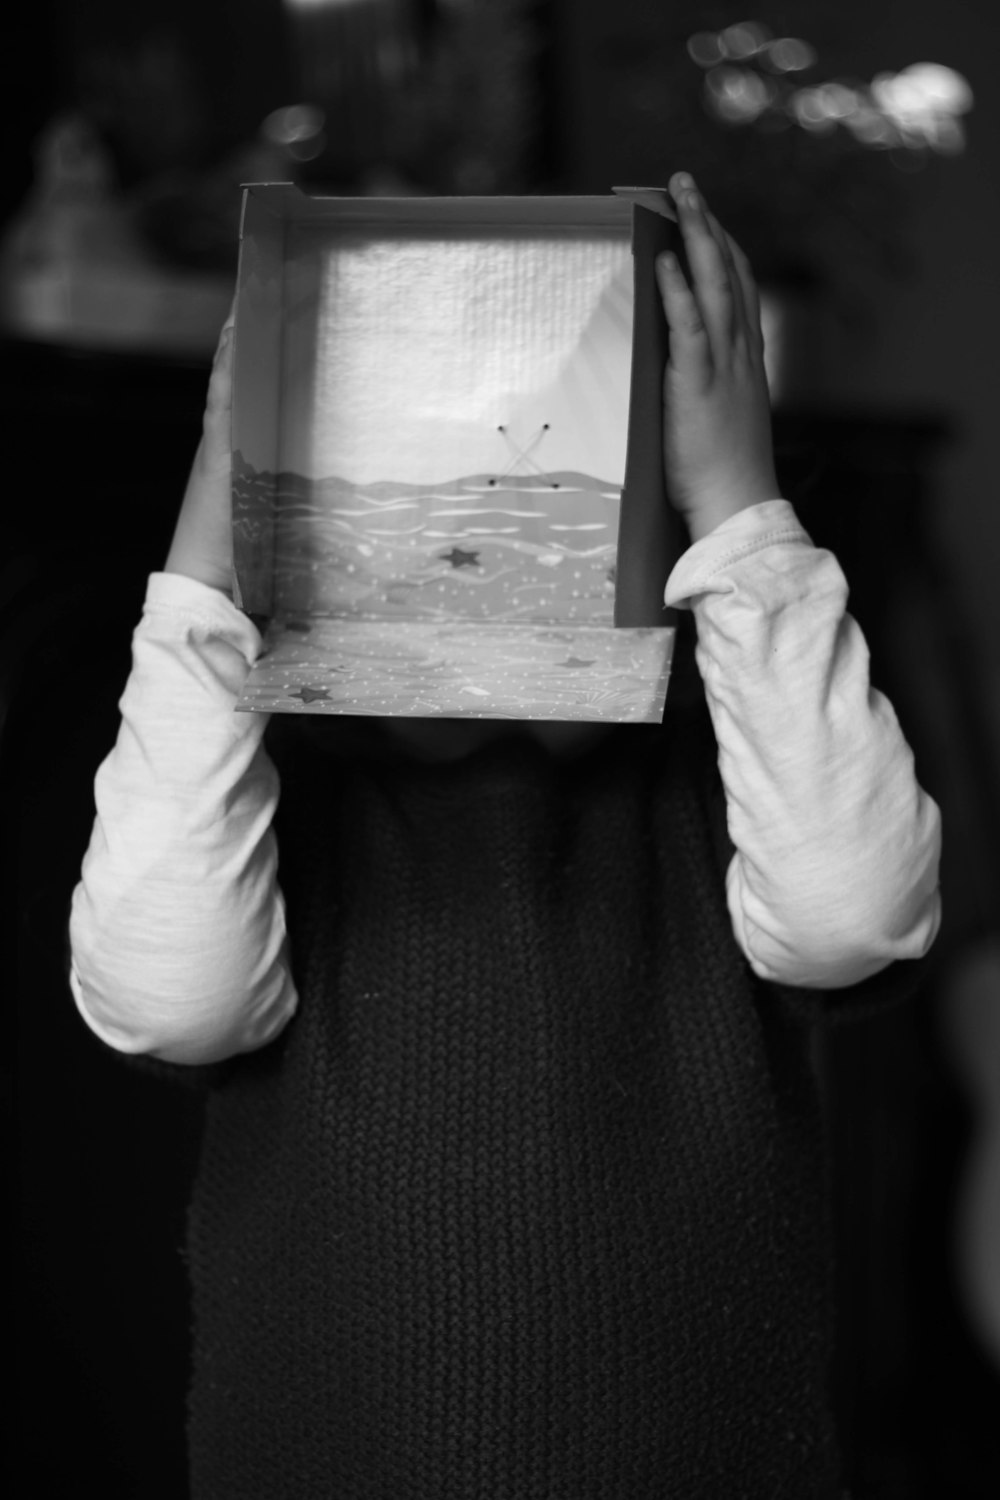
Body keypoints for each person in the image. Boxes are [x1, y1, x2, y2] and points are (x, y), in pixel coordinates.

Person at [69, 173, 941, 1499]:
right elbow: (172, 999)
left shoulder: (734, 760)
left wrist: (747, 516)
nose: (478, 509)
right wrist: (207, 559)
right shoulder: (262, 776)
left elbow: (847, 918)